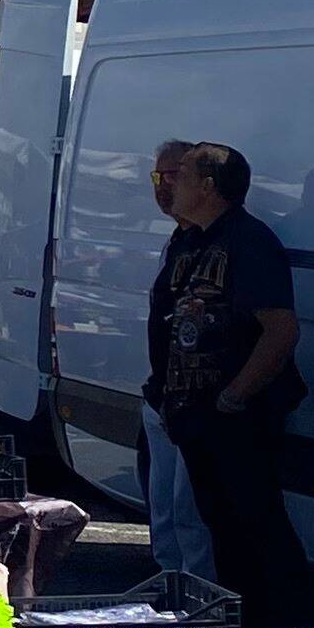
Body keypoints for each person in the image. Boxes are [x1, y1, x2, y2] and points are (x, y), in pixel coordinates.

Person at [150, 140, 308, 626]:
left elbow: (281, 328)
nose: (170, 186)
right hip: (192, 415)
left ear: (209, 186)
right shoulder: (188, 239)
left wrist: (235, 395)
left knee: (257, 525)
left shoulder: (248, 240)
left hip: (238, 418)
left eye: (183, 175)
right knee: (222, 530)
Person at [136, 140, 219, 591]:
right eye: (157, 178)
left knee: (190, 515)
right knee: (164, 510)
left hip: (197, 400)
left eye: (173, 177)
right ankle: (169, 592)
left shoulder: (221, 241)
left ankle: (197, 603)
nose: (162, 188)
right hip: (161, 393)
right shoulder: (179, 237)